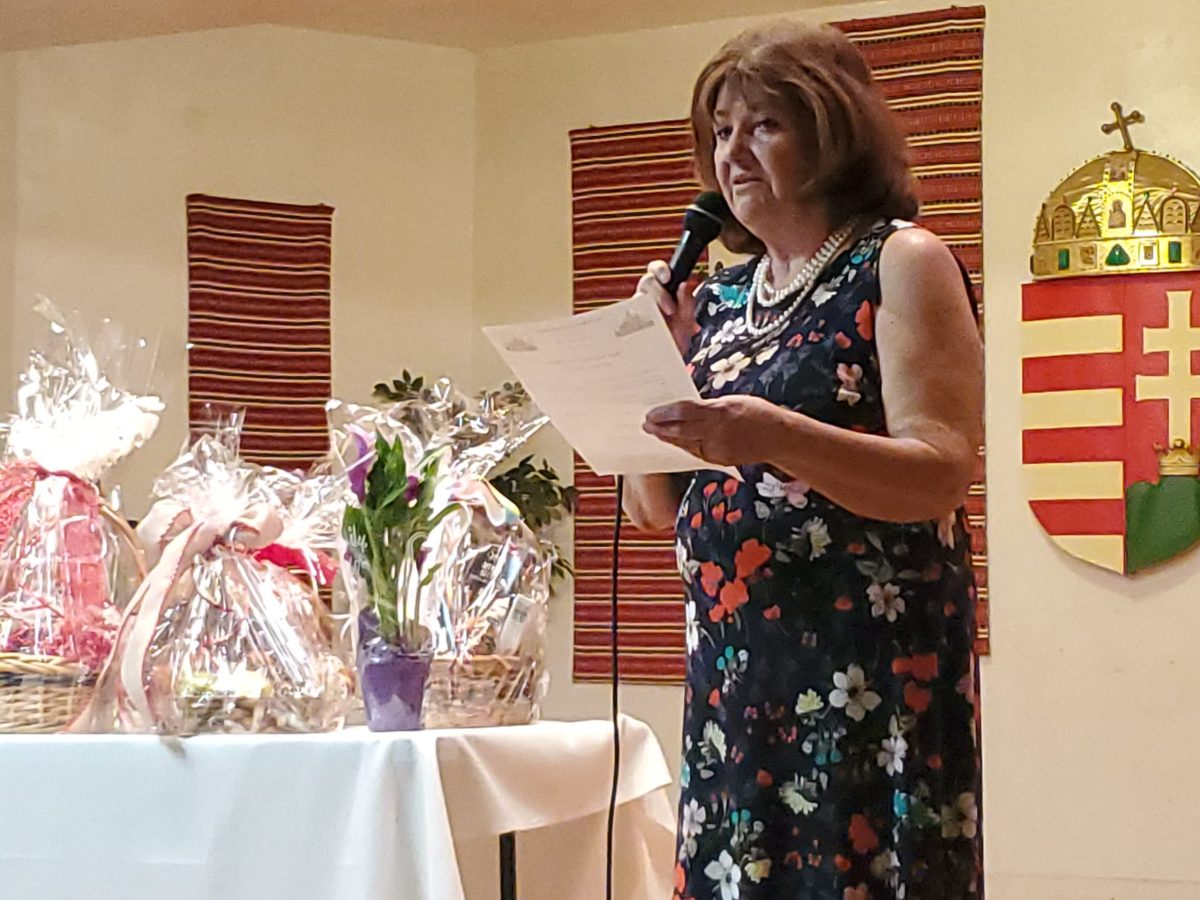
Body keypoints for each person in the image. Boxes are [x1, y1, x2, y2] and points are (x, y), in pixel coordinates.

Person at [623, 20, 984, 900]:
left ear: (831, 133)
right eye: (720, 131)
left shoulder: (899, 261)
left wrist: (778, 435)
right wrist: (649, 361)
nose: (731, 154)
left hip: (865, 686)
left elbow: (942, 468)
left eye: (763, 126)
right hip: (735, 692)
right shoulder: (718, 299)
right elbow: (653, 507)